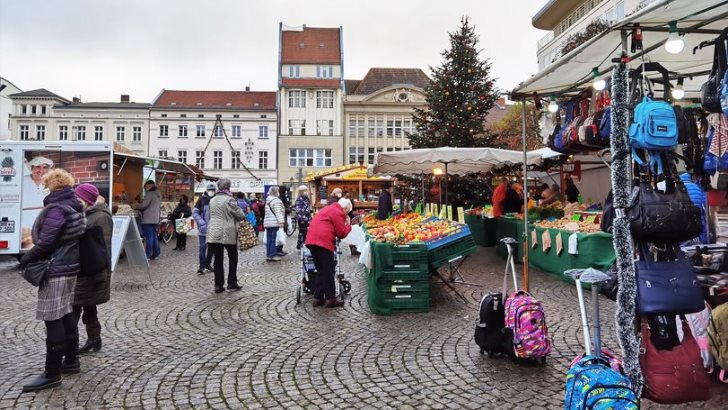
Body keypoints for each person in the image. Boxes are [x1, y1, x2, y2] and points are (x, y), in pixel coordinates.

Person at [19, 169, 86, 392]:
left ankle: (52, 373)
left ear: (52, 186)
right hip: (70, 267)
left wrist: (26, 258)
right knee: (66, 313)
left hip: (56, 268)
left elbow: (46, 242)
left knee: (53, 318)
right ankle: (71, 361)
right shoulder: (75, 204)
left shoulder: (57, 208)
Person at [72, 184, 113, 355]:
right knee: (88, 305)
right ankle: (94, 339)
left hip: (92, 270)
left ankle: (69, 344)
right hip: (87, 270)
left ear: (87, 200)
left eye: (78, 197)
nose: (75, 200)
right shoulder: (88, 215)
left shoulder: (99, 217)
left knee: (74, 307)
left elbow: (100, 248)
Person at [305, 198, 352, 307]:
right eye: (347, 212)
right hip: (323, 242)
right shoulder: (338, 212)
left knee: (321, 270)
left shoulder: (328, 209)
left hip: (311, 241)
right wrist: (348, 224)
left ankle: (318, 297)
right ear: (345, 208)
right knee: (328, 270)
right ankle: (330, 299)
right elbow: (341, 233)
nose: (346, 215)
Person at [205, 178, 246, 293]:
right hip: (227, 231)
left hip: (214, 230)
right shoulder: (230, 200)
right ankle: (232, 282)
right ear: (228, 187)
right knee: (233, 257)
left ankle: (218, 285)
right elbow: (241, 215)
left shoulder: (212, 200)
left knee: (217, 258)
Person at [21, 156, 54, 249]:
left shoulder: (51, 183)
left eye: (44, 167)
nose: (41, 170)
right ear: (32, 168)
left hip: (43, 225)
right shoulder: (23, 181)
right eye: (38, 167)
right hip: (25, 227)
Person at [133, 180, 161, 260]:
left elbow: (144, 206)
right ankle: (156, 254)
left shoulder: (150, 194)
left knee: (149, 238)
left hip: (148, 219)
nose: (145, 188)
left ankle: (147, 255)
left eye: (145, 187)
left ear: (149, 186)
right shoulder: (157, 194)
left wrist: (136, 206)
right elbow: (151, 205)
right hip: (155, 219)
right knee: (154, 237)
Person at [193, 183, 216, 274]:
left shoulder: (216, 200)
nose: (211, 192)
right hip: (203, 228)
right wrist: (201, 223)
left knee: (211, 248)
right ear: (206, 190)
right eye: (210, 190)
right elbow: (195, 213)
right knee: (202, 247)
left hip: (213, 228)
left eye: (213, 190)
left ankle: (208, 264)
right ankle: (201, 266)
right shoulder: (201, 200)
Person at [263, 186, 286, 261]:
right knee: (274, 239)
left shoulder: (268, 200)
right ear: (276, 192)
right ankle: (272, 255)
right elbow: (278, 212)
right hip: (274, 222)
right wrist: (281, 221)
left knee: (269, 239)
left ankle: (269, 254)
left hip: (267, 223)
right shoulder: (276, 201)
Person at [295, 185, 312, 250]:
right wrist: (302, 218)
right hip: (303, 218)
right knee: (303, 231)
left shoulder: (305, 197)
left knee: (303, 231)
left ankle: (300, 244)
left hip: (305, 217)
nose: (306, 192)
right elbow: (299, 209)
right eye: (305, 190)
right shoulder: (301, 198)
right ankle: (303, 244)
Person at [276, 185, 291, 256]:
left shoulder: (282, 197)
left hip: (283, 217)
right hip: (282, 218)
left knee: (282, 233)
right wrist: (287, 210)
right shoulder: (281, 198)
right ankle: (278, 250)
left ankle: (280, 249)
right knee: (280, 233)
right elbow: (282, 208)